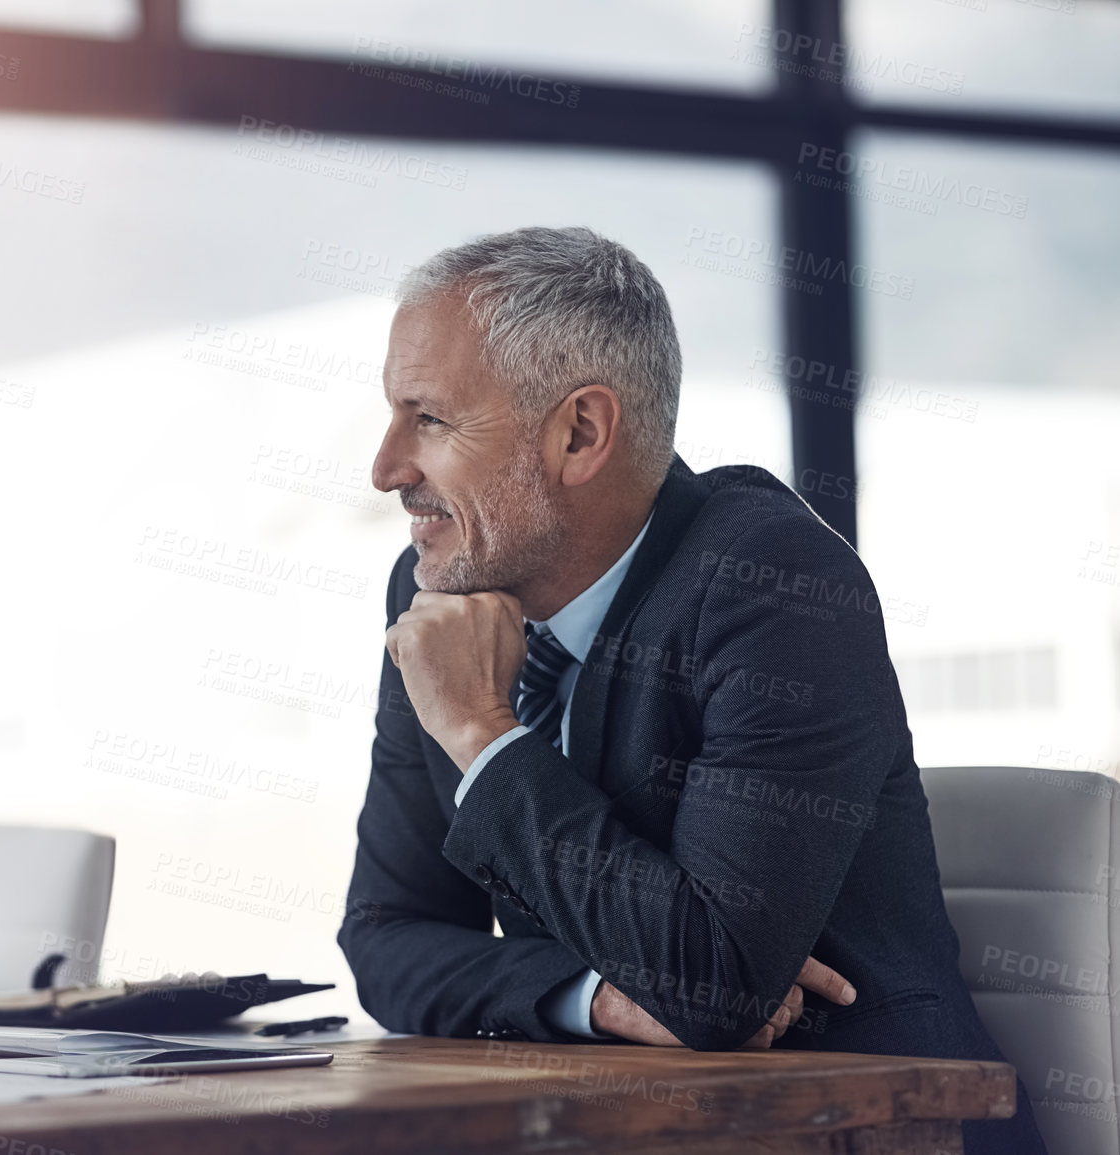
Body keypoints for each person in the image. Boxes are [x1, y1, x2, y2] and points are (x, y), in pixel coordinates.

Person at [336, 226, 1045, 1155]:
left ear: (580, 432)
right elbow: (387, 938)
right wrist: (600, 996)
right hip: (619, 1122)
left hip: (867, 1126)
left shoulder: (773, 582)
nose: (385, 468)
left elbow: (714, 991)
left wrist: (480, 731)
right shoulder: (436, 593)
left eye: (428, 419)